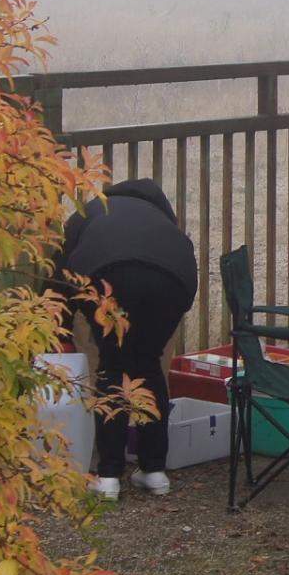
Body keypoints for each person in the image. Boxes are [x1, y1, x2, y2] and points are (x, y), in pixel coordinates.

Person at [49, 178, 198, 501]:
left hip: (106, 275)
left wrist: (59, 332)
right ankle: (154, 470)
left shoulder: (89, 211)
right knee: (147, 363)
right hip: (175, 280)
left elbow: (56, 273)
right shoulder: (160, 218)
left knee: (112, 367)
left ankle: (108, 476)